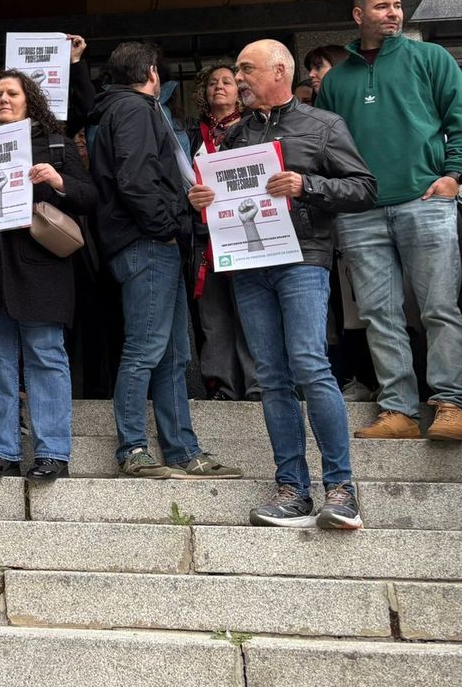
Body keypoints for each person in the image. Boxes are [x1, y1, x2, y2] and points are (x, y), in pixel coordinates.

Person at [189, 40, 377, 529]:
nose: (239, 78)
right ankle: (292, 488)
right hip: (250, 263)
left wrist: (306, 185)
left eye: (246, 70)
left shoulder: (323, 125)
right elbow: (225, 194)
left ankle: (341, 489)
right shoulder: (233, 137)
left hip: (303, 259)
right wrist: (204, 198)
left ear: (279, 71)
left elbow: (364, 188)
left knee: (311, 365)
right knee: (271, 376)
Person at [317, 0, 462, 442]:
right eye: (382, 6)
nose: (393, 13)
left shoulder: (431, 59)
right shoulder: (335, 81)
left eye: (397, 6)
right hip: (360, 211)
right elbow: (326, 148)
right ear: (358, 15)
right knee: (377, 313)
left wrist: (454, 175)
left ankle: (451, 403)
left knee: (439, 308)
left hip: (424, 200)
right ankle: (399, 412)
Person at [90, 41, 240, 481]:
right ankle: (133, 447)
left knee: (175, 353)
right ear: (152, 73)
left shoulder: (116, 109)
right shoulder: (135, 110)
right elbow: (136, 180)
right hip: (147, 243)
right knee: (145, 348)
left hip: (150, 242)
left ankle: (183, 449)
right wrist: (170, 223)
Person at [0, 70, 97, 480]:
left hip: (40, 270)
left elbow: (90, 197)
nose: (3, 100)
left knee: (46, 357)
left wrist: (58, 179)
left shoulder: (55, 144)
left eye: (12, 93)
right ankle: (2, 450)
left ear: (29, 100)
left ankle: (53, 453)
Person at [185, 63, 255, 402]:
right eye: (213, 82)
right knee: (213, 315)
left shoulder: (255, 127)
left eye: (227, 81)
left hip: (246, 230)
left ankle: (257, 384)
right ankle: (221, 386)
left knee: (249, 309)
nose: (219, 87)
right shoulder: (192, 134)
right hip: (204, 235)